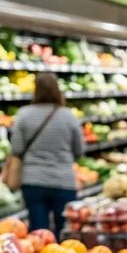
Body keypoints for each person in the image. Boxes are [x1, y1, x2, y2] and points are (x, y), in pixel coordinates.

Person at [9, 73, 83, 235]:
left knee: (38, 232)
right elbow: (79, 150)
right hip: (63, 180)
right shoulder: (69, 116)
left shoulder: (24, 114)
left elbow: (16, 148)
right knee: (66, 230)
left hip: (33, 180)